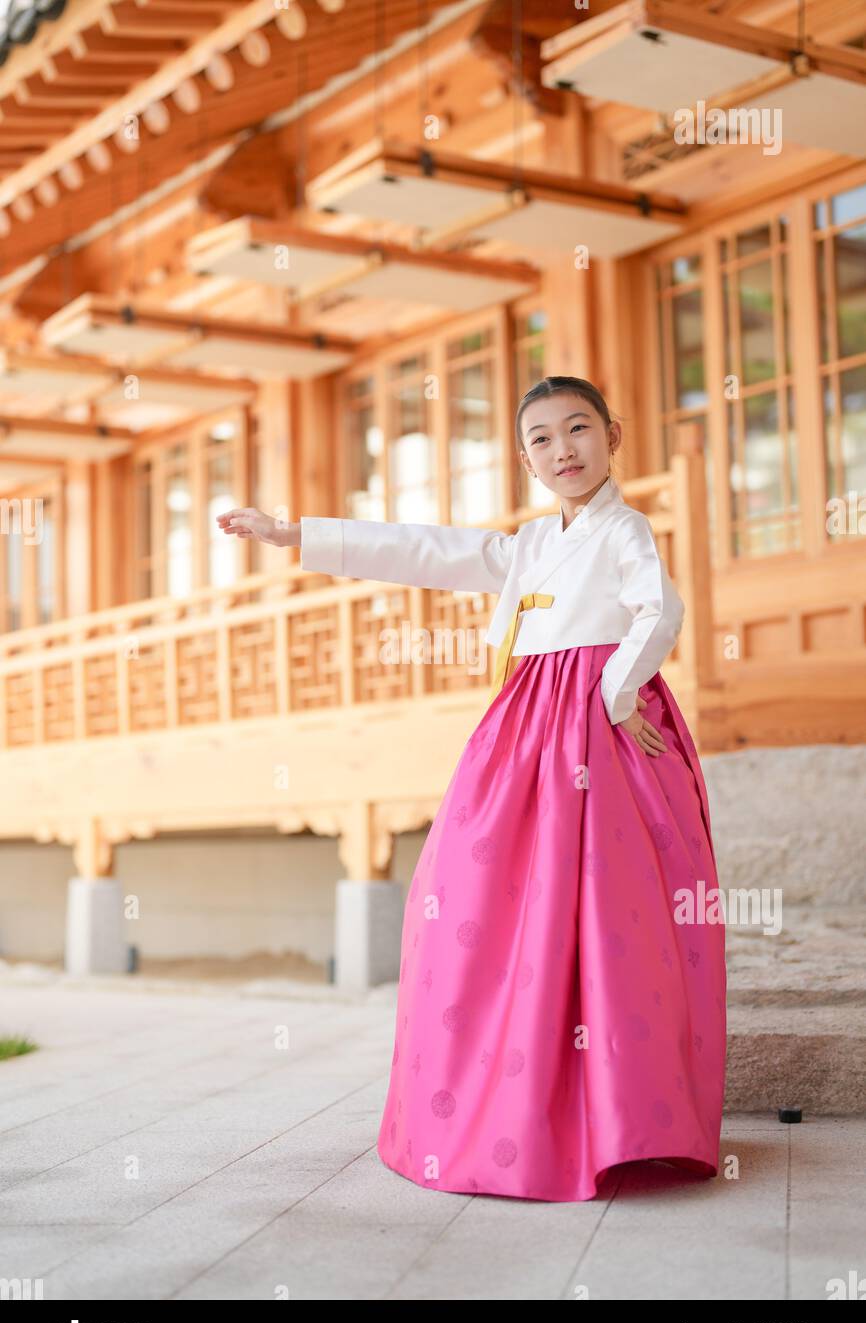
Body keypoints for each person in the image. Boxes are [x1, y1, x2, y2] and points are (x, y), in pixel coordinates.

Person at [217, 374, 727, 1202]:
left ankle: (609, 1121)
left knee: (601, 918)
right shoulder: (528, 545)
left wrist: (616, 694)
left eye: (579, 430)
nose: (563, 450)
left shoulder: (624, 529)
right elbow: (426, 549)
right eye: (542, 438)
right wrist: (292, 534)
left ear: (613, 435)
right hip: (526, 734)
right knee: (468, 904)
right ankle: (508, 1113)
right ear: (527, 458)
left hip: (593, 731)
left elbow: (658, 613)